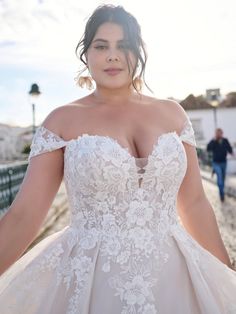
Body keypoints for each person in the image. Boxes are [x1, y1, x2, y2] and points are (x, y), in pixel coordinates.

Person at [0, 4, 236, 314]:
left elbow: (193, 203)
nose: (113, 55)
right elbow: (25, 214)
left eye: (123, 45)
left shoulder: (172, 114)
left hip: (175, 271)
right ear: (86, 55)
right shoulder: (61, 121)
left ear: (138, 53)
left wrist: (225, 276)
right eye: (101, 46)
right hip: (93, 277)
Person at [207, 128, 234, 202]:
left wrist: (233, 154)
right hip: (216, 163)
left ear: (222, 133)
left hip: (224, 162)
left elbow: (229, 149)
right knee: (220, 178)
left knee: (223, 178)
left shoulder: (225, 140)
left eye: (220, 133)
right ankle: (221, 194)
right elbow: (208, 148)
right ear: (216, 134)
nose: (219, 134)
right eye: (217, 133)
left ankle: (221, 191)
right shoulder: (213, 141)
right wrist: (213, 140)